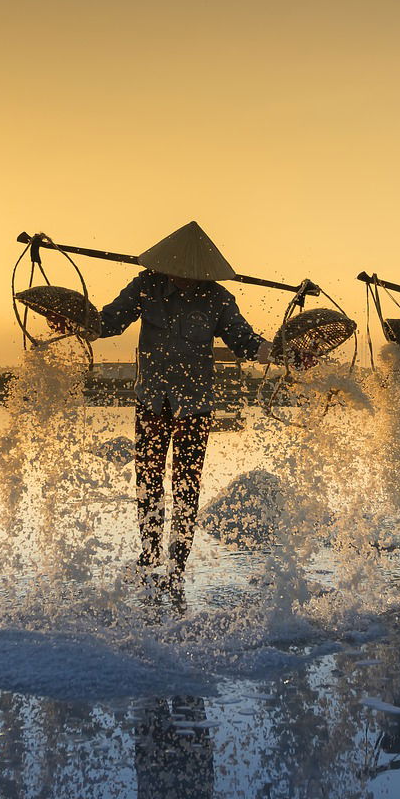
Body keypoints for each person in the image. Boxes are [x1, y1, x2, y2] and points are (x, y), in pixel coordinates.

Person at [95, 222, 271, 582]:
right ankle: (149, 553)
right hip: (152, 401)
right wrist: (78, 321)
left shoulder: (217, 298)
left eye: (193, 276)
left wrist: (274, 351)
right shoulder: (146, 285)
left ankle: (177, 565)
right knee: (148, 481)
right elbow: (108, 321)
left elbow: (244, 340)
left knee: (187, 485)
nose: (186, 280)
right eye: (180, 274)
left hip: (195, 406)